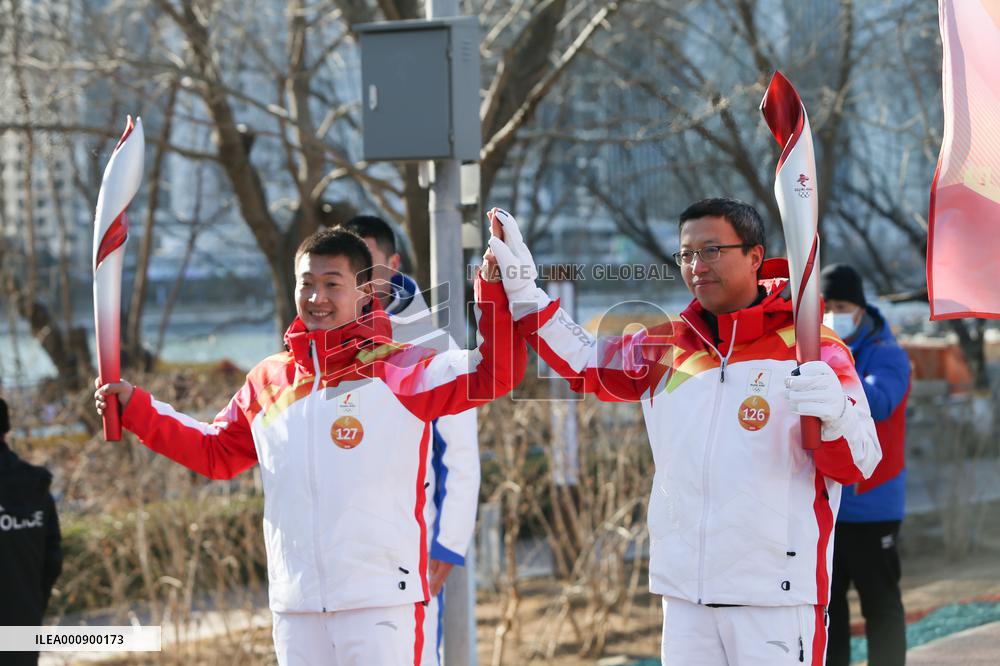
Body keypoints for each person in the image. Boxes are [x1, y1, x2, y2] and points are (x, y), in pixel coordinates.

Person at [95, 227, 523, 665]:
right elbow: (216, 453)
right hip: (296, 607)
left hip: (380, 605)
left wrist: (493, 292)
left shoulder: (402, 366)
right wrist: (136, 408)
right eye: (307, 283)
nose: (317, 297)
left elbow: (494, 374)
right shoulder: (269, 380)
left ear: (364, 292)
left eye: (332, 284)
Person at [485, 199, 882, 665]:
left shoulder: (811, 346)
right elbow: (582, 361)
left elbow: (860, 462)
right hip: (686, 599)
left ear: (755, 256)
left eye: (712, 251)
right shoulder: (666, 346)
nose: (697, 266)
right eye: (687, 254)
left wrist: (836, 412)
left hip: (774, 598)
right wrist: (524, 292)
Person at [343, 215, 480, 665]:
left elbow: (459, 457)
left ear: (393, 263)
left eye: (369, 264)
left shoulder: (434, 346)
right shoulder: (321, 345)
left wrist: (448, 545)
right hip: (337, 552)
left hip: (409, 553)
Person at [821, 264, 911, 666]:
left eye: (841, 305)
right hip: (827, 506)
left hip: (873, 505)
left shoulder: (887, 354)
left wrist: (833, 379)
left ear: (859, 308)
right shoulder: (814, 349)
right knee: (827, 610)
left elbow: (881, 401)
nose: (832, 314)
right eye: (826, 306)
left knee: (881, 605)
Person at [0, 397, 63, 666]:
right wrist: (33, 605)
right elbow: (53, 559)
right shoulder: (36, 486)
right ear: (6, 430)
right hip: (23, 627)